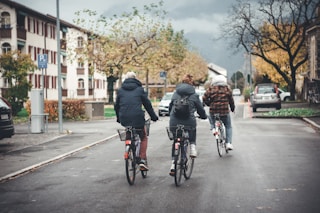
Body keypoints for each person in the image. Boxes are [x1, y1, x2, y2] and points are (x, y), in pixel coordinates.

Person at [114, 71, 159, 171]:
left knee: (128, 133)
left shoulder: (120, 91)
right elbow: (147, 105)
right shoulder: (139, 90)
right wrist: (153, 116)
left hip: (124, 118)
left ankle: (128, 149)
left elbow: (116, 106)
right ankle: (142, 159)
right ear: (135, 78)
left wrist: (118, 117)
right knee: (143, 137)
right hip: (138, 117)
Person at [168, 74, 207, 176]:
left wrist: (171, 115)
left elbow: (170, 107)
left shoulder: (175, 93)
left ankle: (173, 164)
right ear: (191, 84)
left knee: (176, 140)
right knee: (192, 129)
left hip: (174, 121)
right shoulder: (194, 95)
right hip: (188, 121)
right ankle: (193, 147)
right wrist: (204, 116)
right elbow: (200, 109)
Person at [202, 75, 235, 150]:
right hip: (224, 111)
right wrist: (232, 109)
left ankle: (213, 128)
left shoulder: (211, 89)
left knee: (210, 116)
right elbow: (231, 100)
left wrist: (208, 103)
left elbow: (204, 98)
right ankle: (228, 143)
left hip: (213, 110)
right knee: (228, 126)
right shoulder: (227, 89)